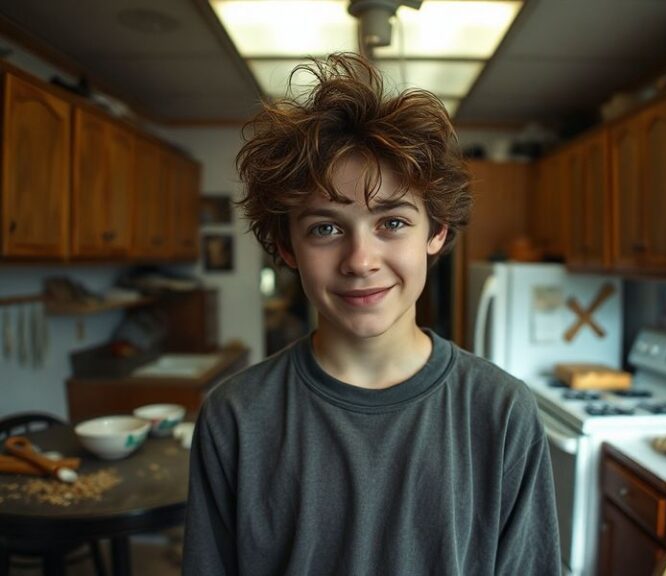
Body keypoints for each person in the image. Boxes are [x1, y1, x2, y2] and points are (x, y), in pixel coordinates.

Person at [182, 53, 561, 576]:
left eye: (392, 222)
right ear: (286, 247)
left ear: (437, 231)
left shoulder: (501, 413)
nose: (360, 261)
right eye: (326, 228)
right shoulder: (235, 418)